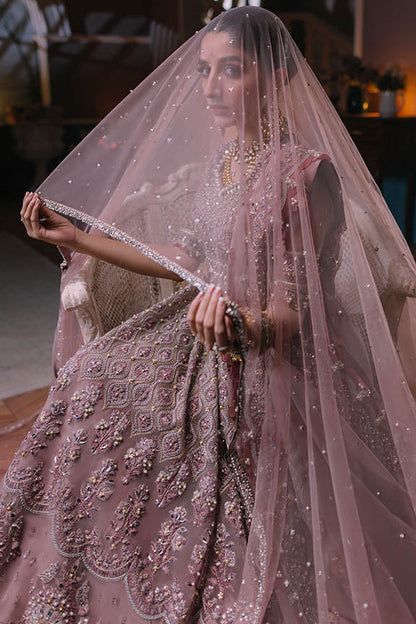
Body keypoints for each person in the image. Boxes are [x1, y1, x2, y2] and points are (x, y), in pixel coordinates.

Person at [2, 6, 416, 624]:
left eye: (232, 71)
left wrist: (239, 329)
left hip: (266, 354)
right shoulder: (229, 159)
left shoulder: (305, 177)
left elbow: (291, 315)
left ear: (275, 78)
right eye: (204, 71)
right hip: (198, 324)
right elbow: (187, 259)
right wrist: (80, 238)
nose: (212, 89)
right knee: (93, 374)